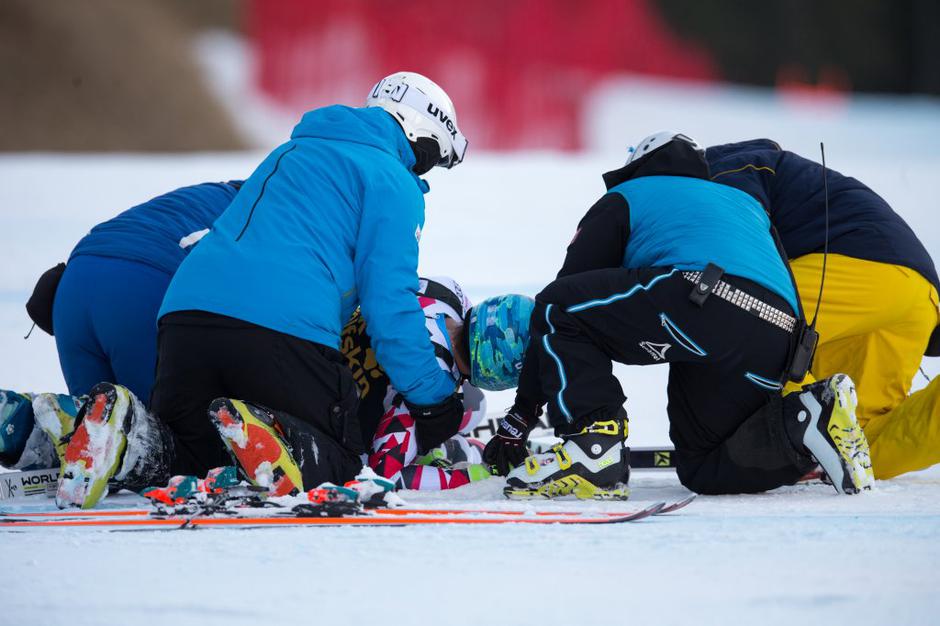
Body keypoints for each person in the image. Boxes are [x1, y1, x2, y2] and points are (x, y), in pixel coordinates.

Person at [54, 71, 471, 509]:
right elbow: (390, 306)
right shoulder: (393, 180)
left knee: (191, 459)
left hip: (184, 319)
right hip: (281, 328)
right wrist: (432, 399)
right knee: (342, 461)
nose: (422, 170)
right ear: (421, 133)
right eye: (430, 159)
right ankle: (276, 437)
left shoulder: (290, 152)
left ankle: (125, 432)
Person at [483, 131, 874, 499]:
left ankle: (593, 450)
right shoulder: (744, 204)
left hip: (705, 297)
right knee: (703, 465)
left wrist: (520, 418)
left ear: (639, 167)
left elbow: (558, 306)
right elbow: (781, 281)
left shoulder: (629, 194)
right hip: (779, 334)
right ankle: (804, 420)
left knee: (559, 306)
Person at [707, 139, 940, 479]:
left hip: (855, 268)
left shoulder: (719, 171)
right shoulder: (776, 170)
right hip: (919, 295)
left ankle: (789, 432)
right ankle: (806, 437)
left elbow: (734, 257)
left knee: (734, 315)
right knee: (853, 440)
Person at [0, 181, 241, 472]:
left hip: (74, 286)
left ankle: (23, 421)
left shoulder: (219, 193)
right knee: (175, 443)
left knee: (94, 422)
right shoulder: (268, 210)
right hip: (143, 288)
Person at [341, 276, 534, 490]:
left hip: (326, 357)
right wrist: (482, 476)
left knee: (472, 403)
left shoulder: (447, 291)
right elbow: (384, 475)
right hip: (350, 427)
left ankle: (445, 447)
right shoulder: (431, 381)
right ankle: (444, 450)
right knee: (466, 408)